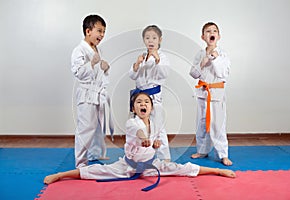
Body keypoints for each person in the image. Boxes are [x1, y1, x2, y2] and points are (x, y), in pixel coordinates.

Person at [44, 92, 236, 191]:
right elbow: (139, 133)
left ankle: (218, 170)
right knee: (97, 171)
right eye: (138, 102)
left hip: (151, 166)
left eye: (146, 102)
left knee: (182, 168)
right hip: (128, 165)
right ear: (133, 108)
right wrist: (145, 140)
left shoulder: (155, 123)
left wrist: (156, 144)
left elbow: (155, 141)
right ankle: (61, 175)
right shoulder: (131, 123)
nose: (143, 104)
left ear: (151, 107)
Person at [71, 14, 113, 168]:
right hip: (86, 94)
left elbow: (98, 73)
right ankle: (81, 162)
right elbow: (77, 72)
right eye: (99, 31)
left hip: (97, 93)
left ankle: (95, 153)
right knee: (86, 128)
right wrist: (91, 64)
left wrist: (104, 68)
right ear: (88, 31)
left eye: (103, 32)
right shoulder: (79, 50)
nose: (102, 35)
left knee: (97, 127)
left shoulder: (96, 49)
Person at [189, 22, 232, 166]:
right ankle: (202, 150)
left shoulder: (223, 54)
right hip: (202, 93)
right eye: (208, 31)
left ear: (218, 36)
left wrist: (215, 58)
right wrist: (203, 62)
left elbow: (223, 73)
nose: (211, 33)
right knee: (201, 124)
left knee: (218, 125)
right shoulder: (199, 54)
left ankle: (223, 154)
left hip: (216, 94)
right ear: (203, 37)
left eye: (214, 31)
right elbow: (193, 73)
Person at [129, 25, 171, 161]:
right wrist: (136, 64)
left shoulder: (162, 57)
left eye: (154, 38)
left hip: (153, 97)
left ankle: (164, 157)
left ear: (160, 40)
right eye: (147, 38)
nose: (150, 41)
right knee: (140, 125)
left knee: (158, 126)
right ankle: (142, 155)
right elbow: (132, 75)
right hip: (140, 97)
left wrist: (157, 59)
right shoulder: (142, 56)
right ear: (144, 40)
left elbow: (164, 73)